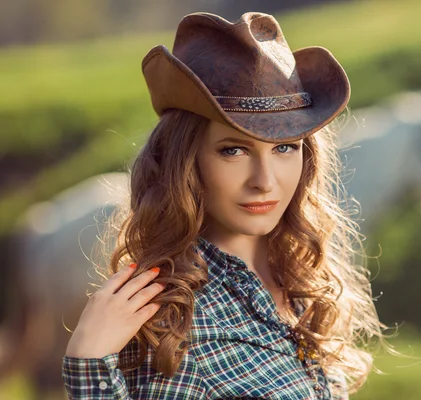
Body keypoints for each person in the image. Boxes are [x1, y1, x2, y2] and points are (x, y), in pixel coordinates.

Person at [62, 11, 396, 400]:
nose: (265, 180)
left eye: (285, 147)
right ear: (186, 161)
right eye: (233, 150)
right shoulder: (171, 325)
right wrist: (90, 367)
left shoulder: (299, 282)